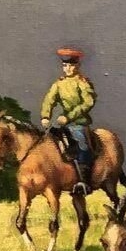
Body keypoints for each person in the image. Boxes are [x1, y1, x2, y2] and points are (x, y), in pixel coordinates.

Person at [40, 47, 97, 196]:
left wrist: (69, 117)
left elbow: (88, 102)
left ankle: (83, 181)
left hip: (78, 122)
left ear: (77, 65)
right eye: (65, 65)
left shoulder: (83, 83)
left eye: (71, 65)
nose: (68, 68)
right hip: (61, 123)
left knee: (82, 144)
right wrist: (45, 116)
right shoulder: (59, 84)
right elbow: (49, 100)